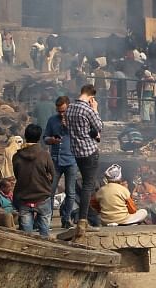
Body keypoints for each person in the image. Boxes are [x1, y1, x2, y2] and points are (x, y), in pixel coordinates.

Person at [66, 84, 104, 235]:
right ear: (91, 97)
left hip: (76, 151)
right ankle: (83, 220)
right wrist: (95, 109)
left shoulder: (70, 108)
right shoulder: (88, 109)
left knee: (85, 185)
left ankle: (83, 218)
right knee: (88, 186)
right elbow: (99, 126)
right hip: (89, 151)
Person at [13, 123, 56, 237]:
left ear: (26, 136)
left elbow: (17, 175)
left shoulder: (17, 156)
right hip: (43, 197)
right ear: (39, 138)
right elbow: (53, 174)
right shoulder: (44, 155)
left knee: (27, 237)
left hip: (24, 198)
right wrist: (46, 181)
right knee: (44, 234)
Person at [43, 96, 79, 229]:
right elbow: (45, 137)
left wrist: (68, 126)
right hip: (55, 160)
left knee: (71, 192)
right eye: (59, 111)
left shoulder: (76, 120)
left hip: (71, 160)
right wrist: (51, 140)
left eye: (63, 111)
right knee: (50, 191)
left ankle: (66, 218)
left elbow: (81, 137)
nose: (61, 114)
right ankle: (47, 219)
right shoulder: (52, 120)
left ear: (69, 107)